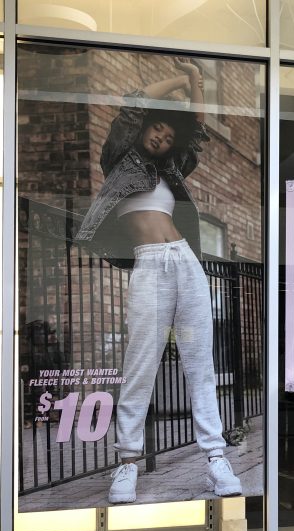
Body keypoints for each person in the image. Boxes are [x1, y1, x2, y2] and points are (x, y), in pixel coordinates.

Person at [76, 57, 242, 504]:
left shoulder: (171, 170)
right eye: (157, 130)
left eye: (169, 137)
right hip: (149, 265)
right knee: (140, 363)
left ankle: (215, 458)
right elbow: (134, 103)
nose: (162, 138)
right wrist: (183, 79)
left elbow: (198, 131)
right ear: (146, 126)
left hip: (185, 261)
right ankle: (127, 462)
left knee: (199, 362)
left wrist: (198, 85)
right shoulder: (119, 157)